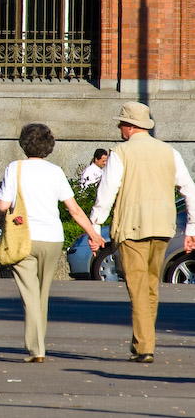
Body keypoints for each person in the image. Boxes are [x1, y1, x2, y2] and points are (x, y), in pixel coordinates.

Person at [89, 102, 195, 363]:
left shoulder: (121, 152)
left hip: (132, 226)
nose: (119, 128)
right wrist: (191, 228)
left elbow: (107, 192)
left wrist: (94, 226)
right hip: (163, 226)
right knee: (150, 286)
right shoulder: (169, 152)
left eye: (121, 123)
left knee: (136, 287)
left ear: (129, 126)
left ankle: (145, 345)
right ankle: (143, 340)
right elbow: (189, 190)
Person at [0, 123, 105, 363]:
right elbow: (74, 210)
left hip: (24, 236)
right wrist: (93, 235)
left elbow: (3, 206)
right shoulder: (55, 171)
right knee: (42, 293)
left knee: (30, 295)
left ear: (24, 144)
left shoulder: (15, 168)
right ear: (49, 146)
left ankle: (37, 349)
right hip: (53, 238)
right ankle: (39, 345)